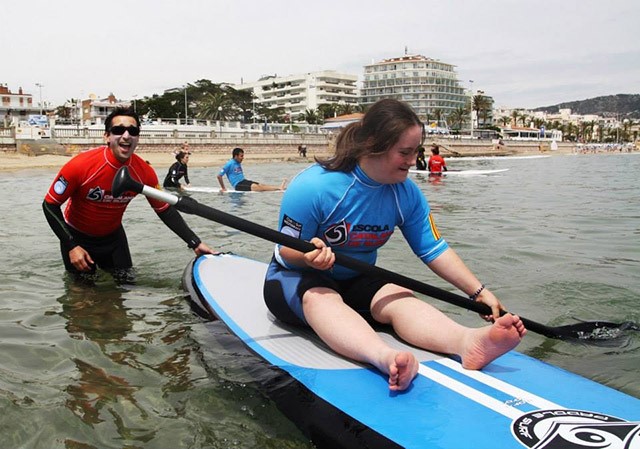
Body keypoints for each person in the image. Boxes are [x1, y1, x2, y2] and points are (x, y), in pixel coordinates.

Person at [263, 99, 526, 392]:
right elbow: (284, 251)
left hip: (354, 278)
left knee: (399, 295)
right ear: (373, 144)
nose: (413, 161)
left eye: (416, 152)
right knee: (321, 297)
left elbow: (433, 249)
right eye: (404, 152)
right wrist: (308, 257)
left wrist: (478, 292)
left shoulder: (406, 194)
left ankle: (467, 342)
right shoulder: (314, 186)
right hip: (294, 281)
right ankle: (385, 357)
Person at [43, 107, 215, 283]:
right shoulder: (81, 165)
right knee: (82, 299)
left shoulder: (144, 172)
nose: (126, 135)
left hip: (114, 240)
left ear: (138, 137)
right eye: (118, 130)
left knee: (126, 291)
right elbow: (49, 205)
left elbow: (164, 210)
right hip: (76, 238)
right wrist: (71, 246)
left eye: (132, 131)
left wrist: (195, 242)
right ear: (107, 136)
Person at [217, 147, 286, 192]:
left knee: (261, 185)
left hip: (244, 181)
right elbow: (219, 176)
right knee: (257, 188)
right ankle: (279, 188)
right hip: (238, 185)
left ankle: (279, 187)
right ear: (236, 156)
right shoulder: (229, 164)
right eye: (241, 156)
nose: (243, 158)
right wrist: (223, 188)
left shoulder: (238, 162)